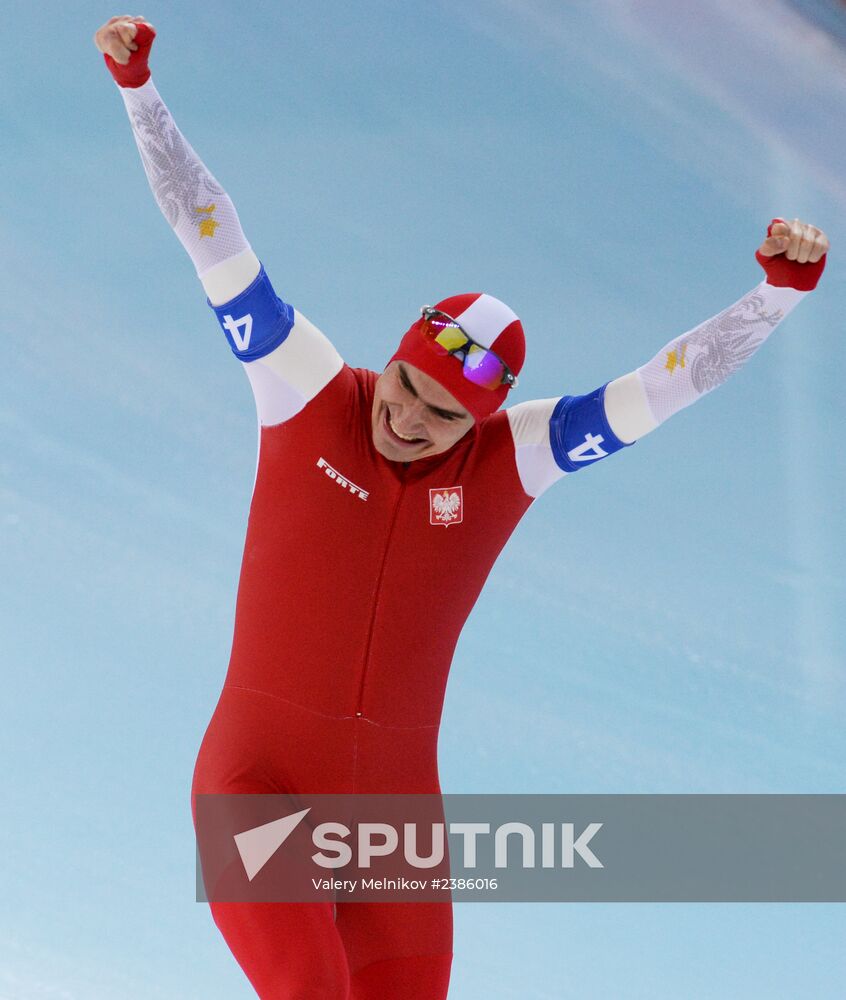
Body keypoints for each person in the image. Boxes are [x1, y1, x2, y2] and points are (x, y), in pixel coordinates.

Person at [94, 14, 829, 1000]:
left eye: (442, 415)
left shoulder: (509, 461)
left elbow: (659, 389)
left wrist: (774, 296)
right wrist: (140, 91)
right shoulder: (308, 390)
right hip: (254, 790)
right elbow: (211, 233)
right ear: (390, 356)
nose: (403, 417)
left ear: (480, 417)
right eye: (403, 384)